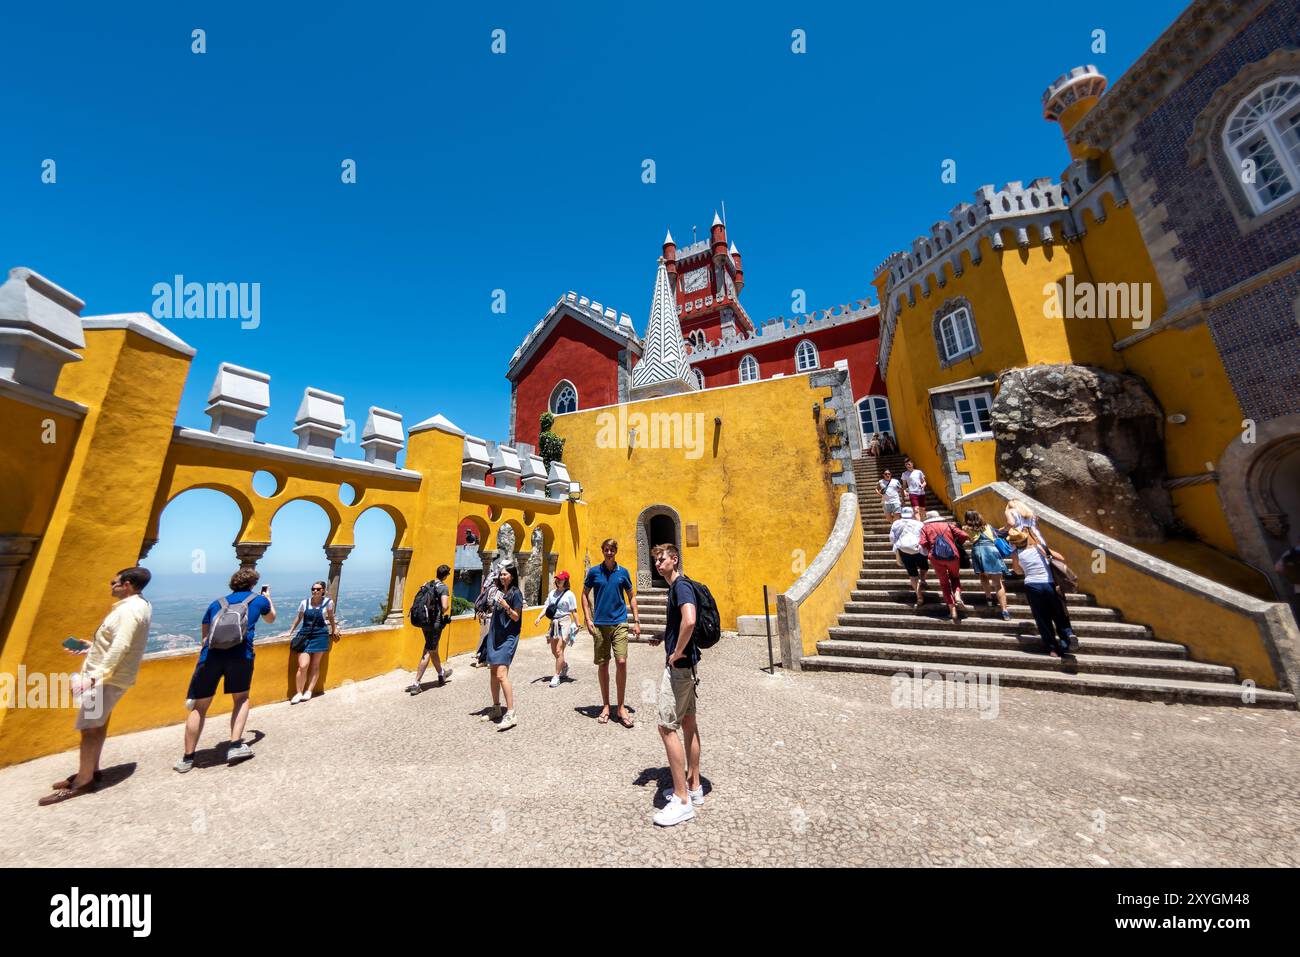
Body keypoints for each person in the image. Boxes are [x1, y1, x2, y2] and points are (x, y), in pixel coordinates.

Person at [40, 567, 153, 806]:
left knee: (90, 729)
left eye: (114, 582)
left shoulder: (130, 610)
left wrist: (94, 677)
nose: (111, 585)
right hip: (110, 678)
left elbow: (121, 647)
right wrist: (93, 646)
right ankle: (92, 769)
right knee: (98, 724)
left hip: (105, 680)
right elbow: (120, 643)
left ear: (128, 584)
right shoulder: (139, 605)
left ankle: (83, 781)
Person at [174, 568, 276, 772]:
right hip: (240, 656)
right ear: (253, 584)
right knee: (241, 699)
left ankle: (187, 758)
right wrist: (268, 598)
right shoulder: (258, 600)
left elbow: (205, 637)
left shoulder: (217, 603)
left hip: (210, 658)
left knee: (199, 707)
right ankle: (236, 745)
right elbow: (271, 618)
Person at [647, 544, 701, 827]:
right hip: (688, 666)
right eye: (655, 560)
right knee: (689, 722)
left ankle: (681, 800)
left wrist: (676, 651)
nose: (657, 563)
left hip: (679, 668)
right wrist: (663, 635)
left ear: (675, 559)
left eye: (662, 559)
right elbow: (682, 621)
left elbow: (689, 620)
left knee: (667, 727)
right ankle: (694, 786)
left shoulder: (679, 586)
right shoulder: (680, 586)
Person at [582, 538, 640, 728]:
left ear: (616, 551)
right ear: (603, 551)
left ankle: (621, 707)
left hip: (620, 622)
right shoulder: (594, 572)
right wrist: (588, 618)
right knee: (603, 664)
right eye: (606, 550)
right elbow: (584, 593)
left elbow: (632, 595)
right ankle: (606, 705)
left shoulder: (623, 572)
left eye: (612, 550)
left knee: (621, 662)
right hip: (599, 624)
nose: (609, 553)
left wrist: (636, 620)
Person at [1008, 528, 1076, 655]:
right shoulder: (1039, 547)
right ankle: (1067, 635)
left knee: (1042, 618)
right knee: (1059, 613)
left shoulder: (1016, 553)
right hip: (1049, 584)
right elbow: (1061, 557)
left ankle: (1052, 648)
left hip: (1032, 586)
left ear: (1014, 543)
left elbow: (1017, 571)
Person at [481, 565, 523, 730]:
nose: (502, 576)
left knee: (501, 674)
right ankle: (497, 708)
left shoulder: (516, 594)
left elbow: (516, 617)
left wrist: (506, 605)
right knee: (493, 672)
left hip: (508, 637)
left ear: (512, 576)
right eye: (500, 574)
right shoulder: (498, 591)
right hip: (495, 635)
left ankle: (511, 713)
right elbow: (495, 611)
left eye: (505, 574)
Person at [284, 580, 337, 704]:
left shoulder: (328, 602)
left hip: (320, 635)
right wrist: (290, 631)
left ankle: (309, 691)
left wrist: (335, 629)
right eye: (313, 589)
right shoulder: (305, 603)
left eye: (318, 589)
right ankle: (298, 692)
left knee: (315, 665)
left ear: (323, 591)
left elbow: (330, 617)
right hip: (304, 635)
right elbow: (299, 617)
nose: (315, 591)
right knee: (302, 666)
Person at [406, 564, 453, 694]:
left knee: (433, 648)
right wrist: (443, 609)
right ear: (446, 575)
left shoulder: (428, 584)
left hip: (424, 622)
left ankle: (441, 674)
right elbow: (444, 606)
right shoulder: (443, 588)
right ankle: (416, 683)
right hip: (434, 623)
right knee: (428, 651)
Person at [918, 510, 969, 625]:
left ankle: (952, 611)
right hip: (953, 556)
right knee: (955, 578)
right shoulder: (948, 525)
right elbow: (964, 535)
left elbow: (922, 542)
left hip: (936, 558)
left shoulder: (925, 528)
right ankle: (957, 595)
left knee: (944, 584)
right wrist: (956, 543)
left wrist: (931, 548)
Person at [963, 510, 1011, 621]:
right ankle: (1004, 611)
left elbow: (968, 539)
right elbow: (998, 534)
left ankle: (989, 599)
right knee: (998, 583)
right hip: (991, 550)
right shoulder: (988, 526)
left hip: (978, 552)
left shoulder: (966, 528)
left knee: (983, 576)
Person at [535, 570, 578, 688]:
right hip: (553, 623)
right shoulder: (552, 593)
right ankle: (563, 665)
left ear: (566, 581)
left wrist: (577, 624)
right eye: (557, 578)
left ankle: (556, 676)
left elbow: (574, 611)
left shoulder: (570, 595)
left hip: (564, 622)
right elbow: (546, 607)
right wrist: (539, 617)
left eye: (561, 579)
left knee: (559, 650)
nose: (558, 580)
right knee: (554, 651)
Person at [889, 506, 930, 608]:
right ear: (912, 514)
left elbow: (892, 538)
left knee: (912, 575)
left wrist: (897, 545)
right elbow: (925, 537)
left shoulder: (896, 523)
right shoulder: (919, 524)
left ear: (902, 514)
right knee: (924, 567)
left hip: (904, 550)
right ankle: (923, 580)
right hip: (919, 549)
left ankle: (919, 596)